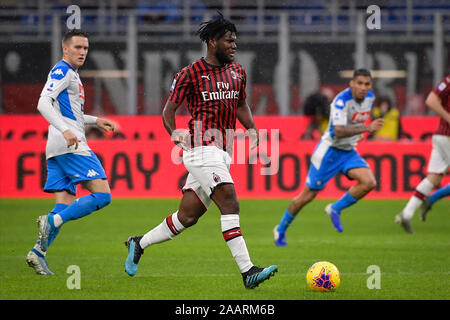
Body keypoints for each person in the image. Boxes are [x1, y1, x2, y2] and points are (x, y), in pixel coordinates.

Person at [123, 14, 277, 289]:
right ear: (212, 41)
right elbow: (168, 110)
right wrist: (174, 132)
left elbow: (241, 104)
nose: (234, 46)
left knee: (188, 216)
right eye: (229, 41)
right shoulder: (189, 74)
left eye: (235, 41)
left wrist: (251, 128)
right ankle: (248, 271)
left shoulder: (237, 72)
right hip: (200, 148)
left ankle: (138, 243)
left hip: (222, 152)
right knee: (229, 201)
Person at [26, 29, 117, 275]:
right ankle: (52, 221)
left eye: (85, 48)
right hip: (70, 145)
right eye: (77, 47)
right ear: (65, 49)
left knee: (63, 204)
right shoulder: (62, 70)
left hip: (57, 147)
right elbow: (43, 102)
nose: (82, 52)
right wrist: (67, 131)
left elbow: (70, 114)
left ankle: (38, 252)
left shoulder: (72, 75)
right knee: (103, 196)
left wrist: (95, 120)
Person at [273, 69, 384, 246]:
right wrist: (366, 129)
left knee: (369, 182)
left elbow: (356, 120)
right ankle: (280, 229)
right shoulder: (341, 101)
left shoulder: (370, 97)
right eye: (360, 83)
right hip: (329, 152)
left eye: (367, 84)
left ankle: (335, 208)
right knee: (307, 197)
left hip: (348, 151)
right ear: (352, 84)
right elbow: (338, 130)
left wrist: (358, 135)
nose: (363, 87)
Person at [396, 75, 450, 233]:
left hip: (441, 135)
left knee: (434, 177)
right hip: (447, 136)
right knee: (434, 177)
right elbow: (431, 100)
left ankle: (407, 213)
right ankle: (432, 199)